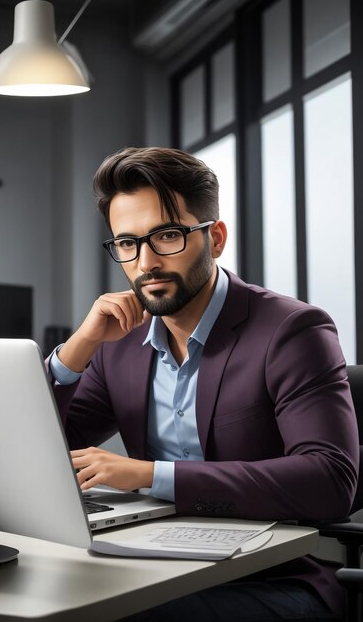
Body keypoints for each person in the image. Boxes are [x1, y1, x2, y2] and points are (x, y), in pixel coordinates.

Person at [46, 147, 359, 621]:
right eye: (126, 243)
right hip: (148, 562)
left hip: (274, 577)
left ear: (215, 238)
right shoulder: (118, 343)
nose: (145, 262)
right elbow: (41, 450)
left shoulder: (292, 330)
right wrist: (79, 348)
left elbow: (330, 479)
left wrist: (151, 476)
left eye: (166, 236)